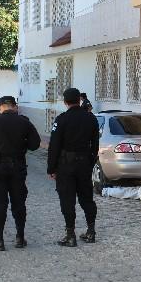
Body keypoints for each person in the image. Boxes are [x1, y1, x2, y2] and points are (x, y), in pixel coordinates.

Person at [0, 96, 41, 251]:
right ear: (15, 106)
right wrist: (22, 145)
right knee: (19, 203)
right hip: (18, 167)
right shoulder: (24, 122)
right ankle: (20, 237)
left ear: (0, 107)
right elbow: (35, 144)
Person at [48, 88, 99, 247]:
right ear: (79, 100)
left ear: (65, 102)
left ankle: (70, 235)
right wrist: (90, 162)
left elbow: (54, 145)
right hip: (84, 163)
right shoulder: (91, 118)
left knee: (67, 200)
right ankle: (91, 231)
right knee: (87, 198)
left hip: (66, 165)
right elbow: (95, 144)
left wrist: (51, 168)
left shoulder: (62, 119)